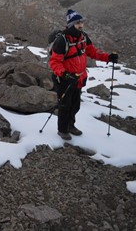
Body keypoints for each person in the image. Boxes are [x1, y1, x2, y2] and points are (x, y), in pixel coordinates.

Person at [48, 9, 118, 140]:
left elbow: (93, 52)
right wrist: (65, 74)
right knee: (65, 105)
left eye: (81, 22)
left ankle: (71, 125)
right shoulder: (62, 41)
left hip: (78, 79)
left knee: (75, 105)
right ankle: (63, 130)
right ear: (70, 25)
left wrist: (108, 57)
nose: (80, 25)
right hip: (64, 80)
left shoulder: (83, 37)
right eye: (77, 23)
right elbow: (54, 62)